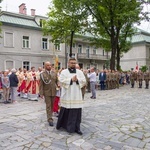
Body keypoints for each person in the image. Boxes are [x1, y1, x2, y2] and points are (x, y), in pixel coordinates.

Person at [56, 58, 86, 135]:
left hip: (77, 95)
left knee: (77, 112)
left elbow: (84, 81)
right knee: (67, 110)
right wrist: (71, 80)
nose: (73, 64)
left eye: (74, 63)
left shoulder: (79, 72)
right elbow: (61, 81)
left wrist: (77, 80)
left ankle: (77, 128)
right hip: (68, 95)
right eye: (71, 63)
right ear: (68, 63)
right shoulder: (64, 72)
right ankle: (65, 126)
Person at [39, 61, 58, 126]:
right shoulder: (42, 74)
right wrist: (41, 93)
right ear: (45, 66)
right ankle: (49, 119)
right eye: (47, 65)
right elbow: (41, 84)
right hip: (46, 92)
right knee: (48, 106)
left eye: (50, 65)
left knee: (52, 105)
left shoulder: (54, 73)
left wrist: (59, 86)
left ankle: (51, 115)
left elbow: (57, 82)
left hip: (54, 92)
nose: (49, 66)